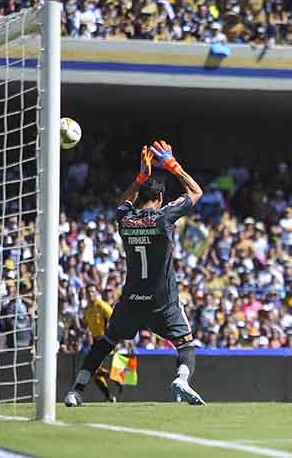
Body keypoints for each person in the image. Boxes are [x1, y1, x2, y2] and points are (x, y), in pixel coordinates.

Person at [64, 140, 204, 407]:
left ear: (140, 195)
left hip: (131, 299)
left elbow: (123, 201)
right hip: (162, 301)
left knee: (106, 342)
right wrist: (172, 165)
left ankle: (76, 390)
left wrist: (141, 176)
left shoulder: (125, 219)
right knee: (185, 344)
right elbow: (196, 191)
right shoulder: (163, 218)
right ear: (161, 198)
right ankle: (182, 380)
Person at [82, 285, 121, 402]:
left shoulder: (103, 306)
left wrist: (116, 340)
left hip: (105, 340)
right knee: (95, 372)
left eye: (92, 291)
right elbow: (86, 326)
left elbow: (114, 321)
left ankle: (113, 386)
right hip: (95, 341)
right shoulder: (87, 309)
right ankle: (114, 382)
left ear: (97, 293)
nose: (90, 294)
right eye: (88, 292)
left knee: (94, 370)